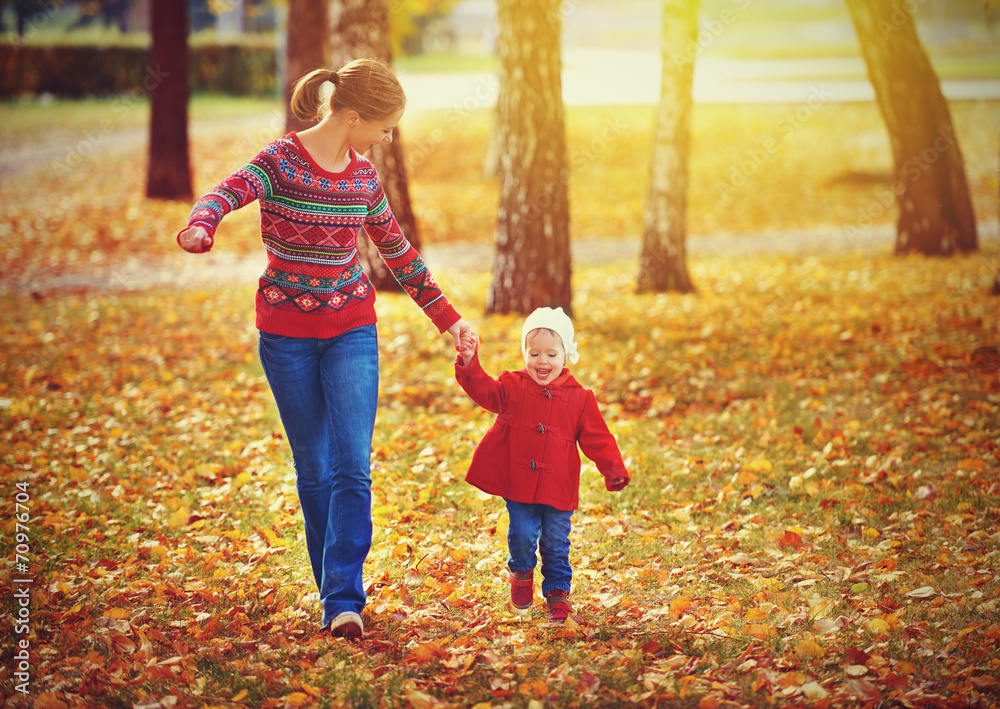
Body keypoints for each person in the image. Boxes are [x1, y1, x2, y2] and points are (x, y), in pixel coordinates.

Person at [176, 58, 473, 640]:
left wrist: (449, 320)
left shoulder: (363, 179)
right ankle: (332, 593)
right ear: (355, 116)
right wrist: (201, 224)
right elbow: (227, 191)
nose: (387, 139)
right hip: (285, 335)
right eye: (384, 128)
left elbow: (399, 252)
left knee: (352, 467)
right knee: (313, 470)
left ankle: (343, 598)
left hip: (351, 331)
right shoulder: (281, 161)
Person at [454, 307, 629, 622]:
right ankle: (521, 574)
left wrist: (613, 469)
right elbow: (484, 391)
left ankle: (558, 594)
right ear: (525, 353)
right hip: (518, 484)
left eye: (551, 353)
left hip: (558, 486)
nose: (542, 361)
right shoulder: (512, 386)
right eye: (534, 353)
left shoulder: (580, 398)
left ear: (566, 354)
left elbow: (598, 438)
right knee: (521, 534)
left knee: (556, 542)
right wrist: (469, 361)